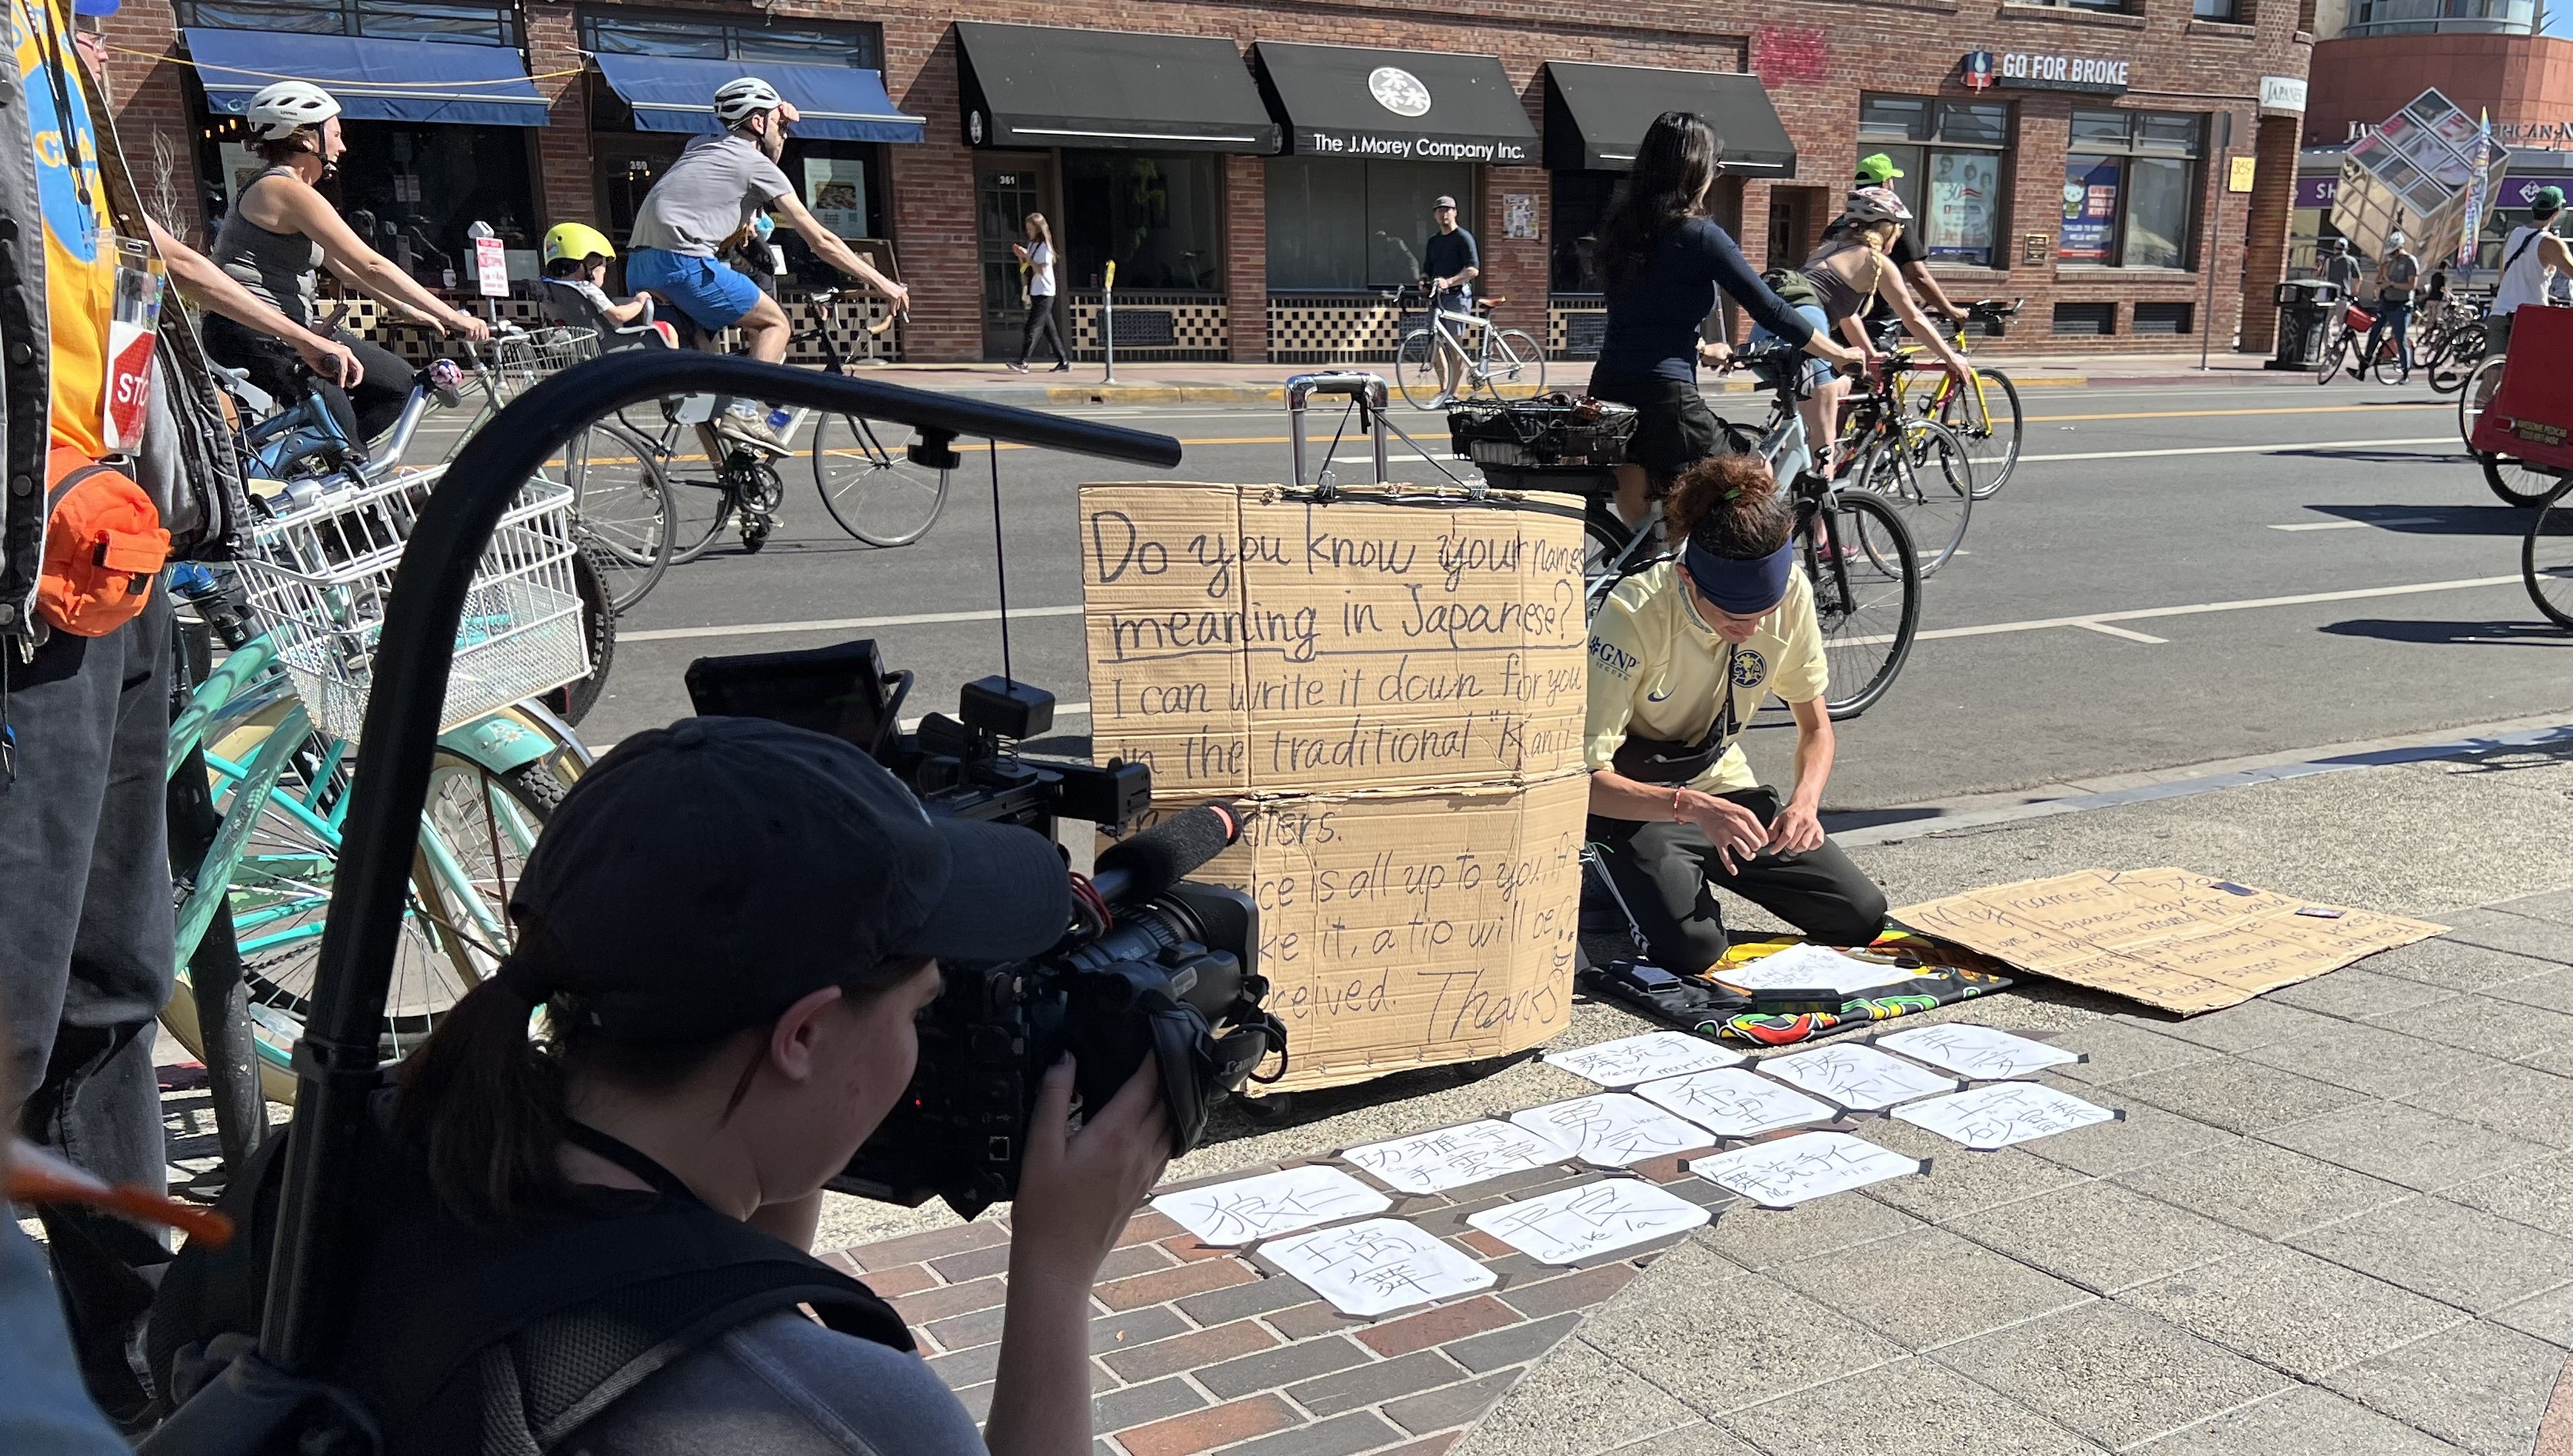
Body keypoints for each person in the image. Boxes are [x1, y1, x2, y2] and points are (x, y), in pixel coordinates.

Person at [381, 716, 1170, 1454]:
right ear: (802, 1036)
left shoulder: (386, 1160)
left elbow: (706, 1255)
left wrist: (790, 1131)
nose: (921, 1047)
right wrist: (1057, 1272)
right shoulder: (828, 1407)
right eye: (922, 1010)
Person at [1584, 454, 1889, 964]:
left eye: (1761, 614)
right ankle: (1607, 871)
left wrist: (1804, 803)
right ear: (1687, 577)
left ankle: (1679, 872)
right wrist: (1691, 808)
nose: (1749, 629)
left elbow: (1815, 728)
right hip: (1634, 801)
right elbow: (1581, 779)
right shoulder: (1632, 612)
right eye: (1729, 615)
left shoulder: (1792, 592)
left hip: (1718, 784)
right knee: (1693, 950)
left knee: (1857, 914)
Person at [1588, 112, 1860, 530]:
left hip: (1609, 388)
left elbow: (1640, 312)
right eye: (1716, 166)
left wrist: (1699, 346)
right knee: (1755, 477)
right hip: (1665, 397)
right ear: (1696, 169)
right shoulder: (1698, 234)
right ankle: (1724, 586)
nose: (1717, 176)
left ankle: (1646, 585)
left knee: (1643, 534)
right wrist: (1838, 354)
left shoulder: (1621, 228)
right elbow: (1771, 309)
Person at [201, 81, 490, 444]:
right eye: (335, 134)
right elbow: (373, 265)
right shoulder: (283, 189)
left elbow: (350, 273)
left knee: (398, 385)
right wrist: (454, 316)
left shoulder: (293, 191)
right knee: (341, 434)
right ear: (307, 140)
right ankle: (340, 461)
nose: (343, 145)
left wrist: (408, 310)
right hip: (255, 332)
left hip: (295, 327)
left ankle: (322, 463)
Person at [625, 78, 908, 444]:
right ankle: (744, 413)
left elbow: (743, 167)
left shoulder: (697, 147)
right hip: (683, 265)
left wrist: (775, 119)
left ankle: (729, 476)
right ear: (758, 123)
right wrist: (884, 284)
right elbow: (820, 240)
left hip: (639, 269)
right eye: (782, 126)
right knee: (775, 323)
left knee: (708, 386)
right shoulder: (754, 165)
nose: (786, 134)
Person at [1774, 188, 1975, 480]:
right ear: (1887, 230)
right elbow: (1913, 317)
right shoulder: (1875, 261)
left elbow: (1845, 313)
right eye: (1898, 230)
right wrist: (1951, 357)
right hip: (1806, 334)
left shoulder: (1826, 250)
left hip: (1778, 329)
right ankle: (1817, 524)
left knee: (1838, 391)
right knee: (1823, 450)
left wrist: (1869, 353)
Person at [1852, 153, 1965, 328]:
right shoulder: (1893, 223)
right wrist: (1950, 310)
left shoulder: (1844, 221)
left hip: (1840, 315)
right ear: (1886, 184)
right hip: (1876, 318)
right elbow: (1918, 276)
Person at [535, 222, 675, 348]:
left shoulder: (555, 289)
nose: (604, 272)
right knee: (666, 329)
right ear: (589, 265)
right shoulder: (587, 289)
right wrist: (639, 302)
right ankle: (678, 374)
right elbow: (617, 316)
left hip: (582, 347)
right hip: (610, 345)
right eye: (603, 266)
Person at [2488, 186, 2570, 355]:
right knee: (2537, 369)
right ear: (2556, 213)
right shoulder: (2550, 243)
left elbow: (2503, 274)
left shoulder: (2513, 235)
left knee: (2492, 375)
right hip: (2528, 317)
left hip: (2500, 311)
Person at [1421, 195, 1481, 405]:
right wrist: (1423, 281)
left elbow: (1473, 270)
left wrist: (1450, 281)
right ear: (1435, 215)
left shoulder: (1463, 238)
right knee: (1434, 343)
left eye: (1448, 210)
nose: (1444, 214)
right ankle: (1443, 389)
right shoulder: (1434, 241)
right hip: (1437, 298)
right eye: (1439, 210)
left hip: (1457, 296)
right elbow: (1427, 269)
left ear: (1455, 212)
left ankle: (1453, 393)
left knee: (1455, 345)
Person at [1010, 212, 1068, 373]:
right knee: (1049, 330)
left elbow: (1040, 270)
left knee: (1032, 327)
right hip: (1036, 291)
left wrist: (1027, 257)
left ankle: (1023, 361)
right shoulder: (1033, 245)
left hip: (1045, 292)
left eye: (1031, 229)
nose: (1028, 232)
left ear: (1038, 229)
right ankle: (1063, 360)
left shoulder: (1045, 248)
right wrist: (1021, 257)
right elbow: (1027, 267)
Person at [2365, 230, 2420, 380]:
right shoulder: (2391, 264)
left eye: (2393, 253)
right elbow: (2385, 280)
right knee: (2374, 332)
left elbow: (2411, 285)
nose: (2392, 256)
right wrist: (2383, 284)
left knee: (2400, 337)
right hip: (2387, 302)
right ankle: (2365, 363)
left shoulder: (2410, 261)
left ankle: (2405, 372)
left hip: (2401, 305)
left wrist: (2393, 284)